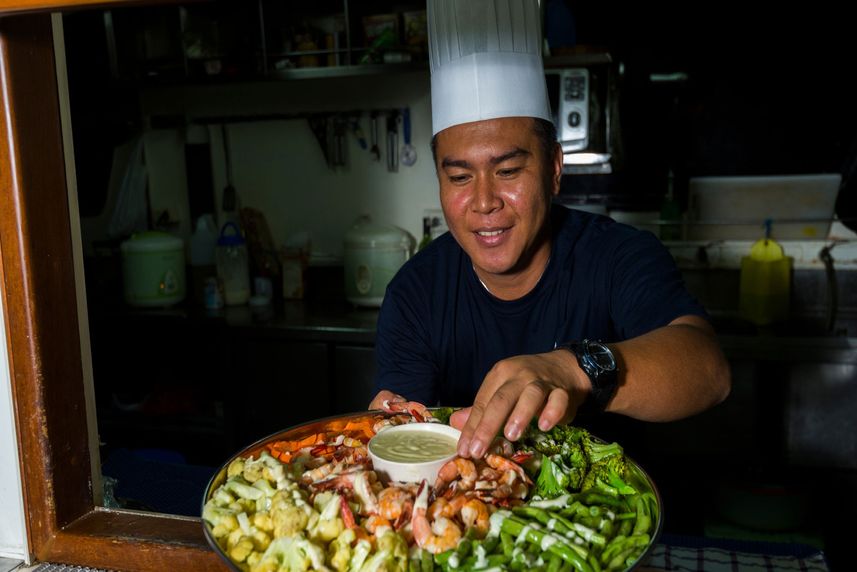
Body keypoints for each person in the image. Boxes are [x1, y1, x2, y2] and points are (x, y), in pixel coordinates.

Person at [369, 0, 730, 460]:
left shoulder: (618, 256)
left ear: (554, 169)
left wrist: (575, 369)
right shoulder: (416, 292)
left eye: (508, 171)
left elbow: (708, 370)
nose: (484, 202)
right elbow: (405, 430)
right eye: (459, 177)